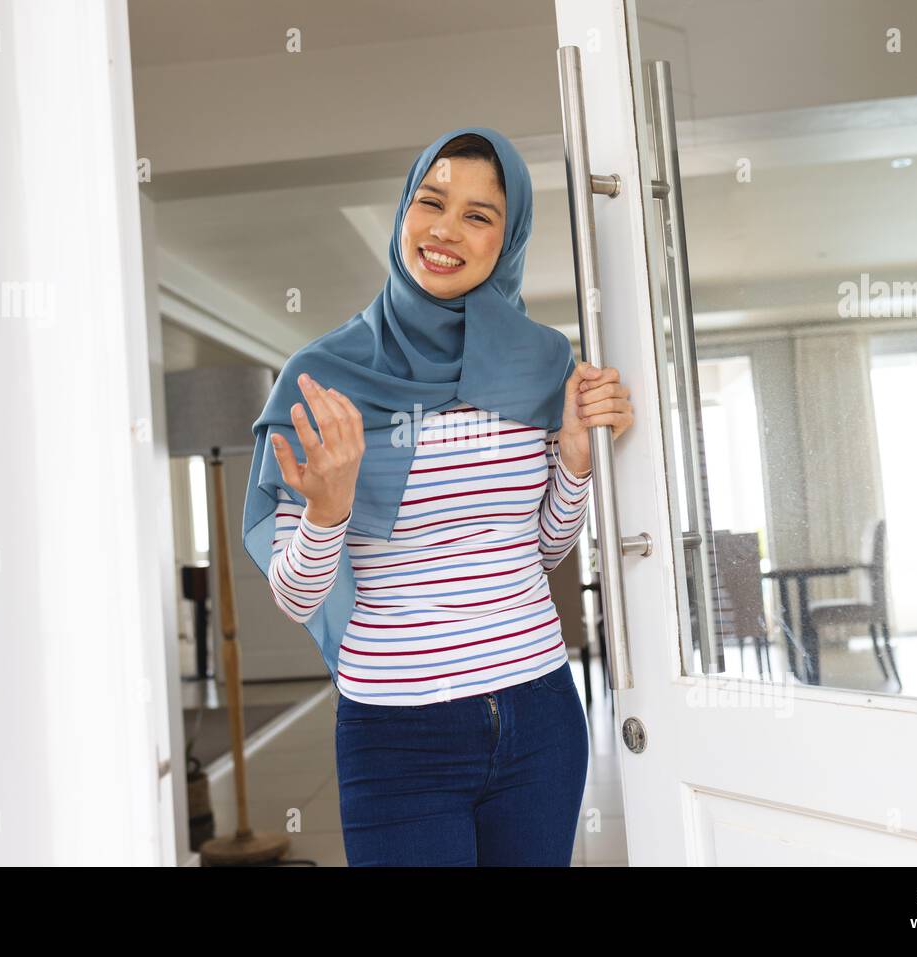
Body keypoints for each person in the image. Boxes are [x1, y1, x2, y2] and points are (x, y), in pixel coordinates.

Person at [241, 126, 634, 866]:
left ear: (506, 238)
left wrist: (574, 462)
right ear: (403, 213)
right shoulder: (322, 376)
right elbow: (298, 597)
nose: (446, 230)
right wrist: (327, 511)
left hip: (539, 710)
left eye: (479, 215)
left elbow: (543, 549)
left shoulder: (542, 362)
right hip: (397, 732)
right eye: (432, 201)